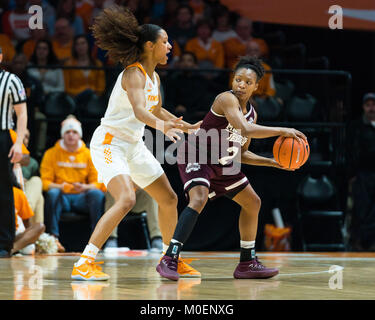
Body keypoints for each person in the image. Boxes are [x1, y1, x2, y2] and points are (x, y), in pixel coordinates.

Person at [71, 6, 201, 281]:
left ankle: (170, 260)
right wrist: (165, 128)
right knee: (127, 198)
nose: (170, 46)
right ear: (150, 45)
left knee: (168, 198)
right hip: (110, 143)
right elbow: (141, 111)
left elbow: (155, 109)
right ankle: (84, 262)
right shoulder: (134, 73)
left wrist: (188, 127)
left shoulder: (153, 77)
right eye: (165, 42)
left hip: (132, 145)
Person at [157, 56, 307, 281]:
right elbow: (244, 128)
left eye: (248, 82)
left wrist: (272, 162)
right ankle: (170, 259)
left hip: (223, 163)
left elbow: (241, 153)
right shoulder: (225, 99)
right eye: (238, 79)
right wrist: (282, 130)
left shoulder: (252, 113)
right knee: (198, 199)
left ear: (257, 86)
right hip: (196, 153)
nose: (241, 85)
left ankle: (247, 262)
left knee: (253, 202)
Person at [40, 115, 106, 253]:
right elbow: (44, 182)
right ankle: (53, 239)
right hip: (62, 197)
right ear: (62, 135)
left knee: (97, 194)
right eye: (67, 132)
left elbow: (99, 182)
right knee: (52, 193)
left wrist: (85, 187)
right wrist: (60, 187)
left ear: (79, 135)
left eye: (74, 132)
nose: (71, 135)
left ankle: (97, 241)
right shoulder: (51, 153)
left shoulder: (89, 154)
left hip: (81, 197)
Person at [0, 46, 28, 258]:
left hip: (2, 136)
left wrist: (18, 142)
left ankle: (4, 242)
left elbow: (22, 114)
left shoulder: (12, 80)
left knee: (4, 191)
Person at [347, 93, 375, 250]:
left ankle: (372, 244)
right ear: (364, 107)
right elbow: (352, 151)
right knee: (361, 209)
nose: (371, 108)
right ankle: (360, 244)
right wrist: (352, 174)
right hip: (362, 174)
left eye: (373, 104)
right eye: (368, 105)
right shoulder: (356, 126)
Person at [104, 185, 163, 251]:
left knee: (151, 190)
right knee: (111, 190)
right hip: (118, 198)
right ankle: (111, 238)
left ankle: (157, 237)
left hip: (135, 198)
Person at [63, 34, 105, 114]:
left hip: (93, 99)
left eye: (83, 43)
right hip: (74, 98)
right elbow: (66, 87)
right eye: (77, 44)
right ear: (74, 47)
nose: (80, 46)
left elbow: (100, 88)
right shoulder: (68, 64)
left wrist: (90, 92)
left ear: (88, 45)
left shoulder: (97, 64)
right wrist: (83, 92)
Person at [11, 184, 45, 255]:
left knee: (40, 226)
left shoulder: (17, 192)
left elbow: (27, 222)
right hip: (4, 235)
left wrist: (30, 238)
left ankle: (12, 249)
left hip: (11, 235)